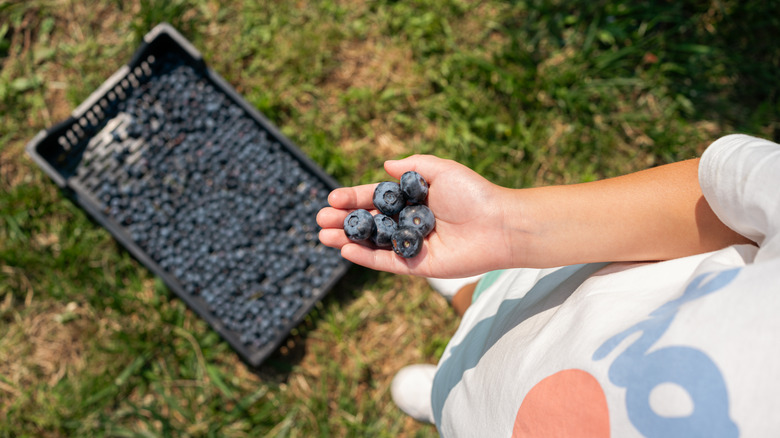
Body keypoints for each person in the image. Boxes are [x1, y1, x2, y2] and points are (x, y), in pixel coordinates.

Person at [316, 134, 780, 437]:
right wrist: (507, 227)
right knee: (497, 310)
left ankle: (450, 407)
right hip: (573, 312)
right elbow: (719, 199)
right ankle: (467, 322)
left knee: (472, 408)